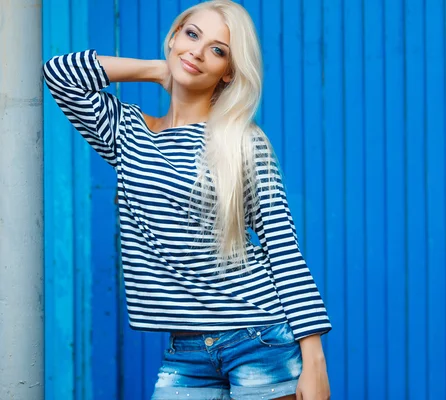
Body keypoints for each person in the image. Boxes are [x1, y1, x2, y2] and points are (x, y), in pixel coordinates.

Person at [43, 1, 332, 399]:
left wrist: (314, 360)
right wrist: (158, 70)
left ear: (228, 71)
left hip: (259, 338)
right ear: (174, 37)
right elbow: (59, 74)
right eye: (192, 35)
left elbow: (283, 248)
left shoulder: (244, 142)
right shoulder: (127, 133)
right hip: (186, 352)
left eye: (217, 49)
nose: (197, 51)